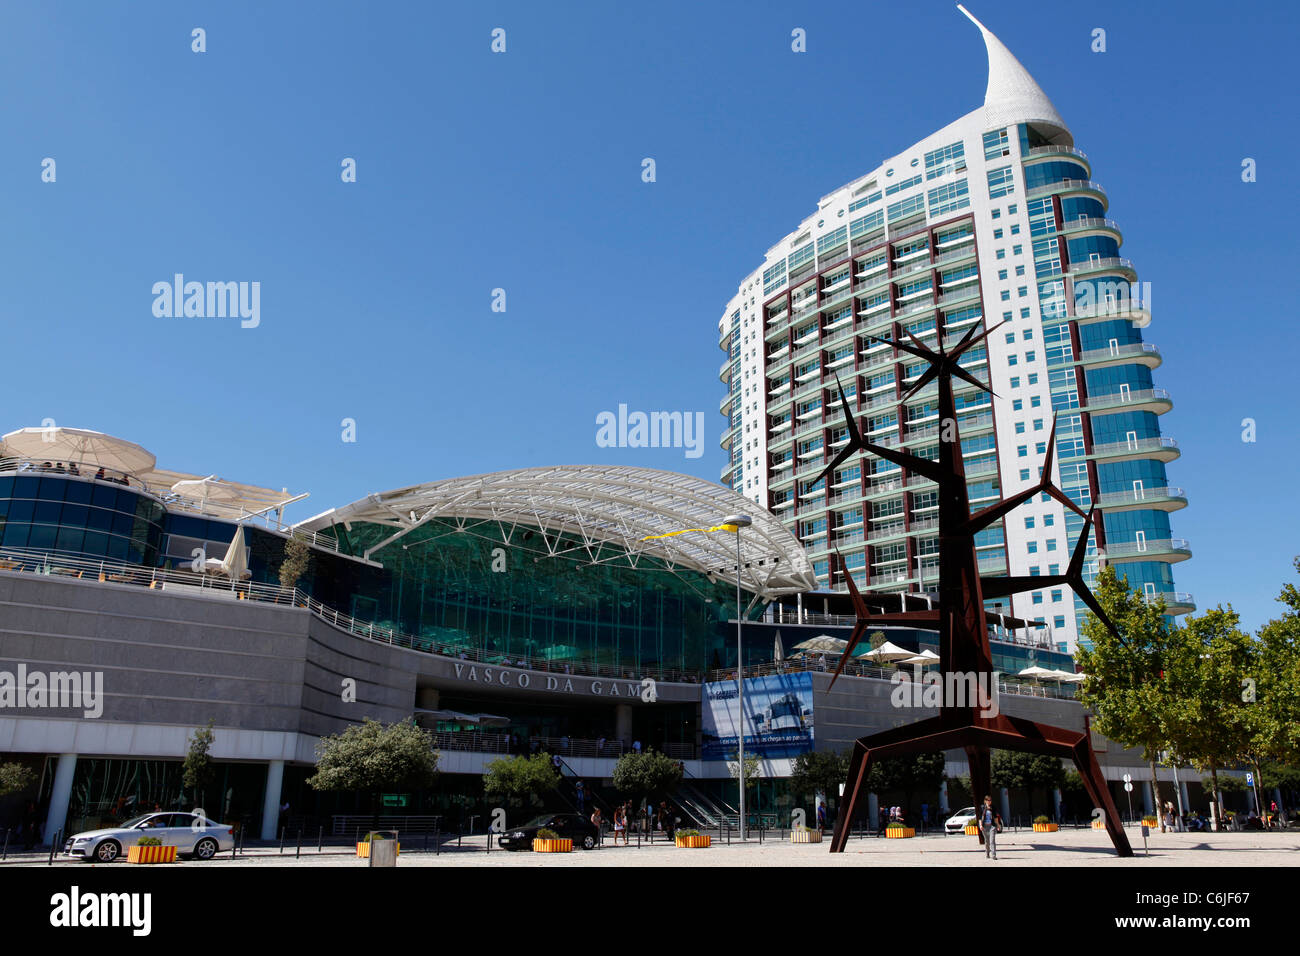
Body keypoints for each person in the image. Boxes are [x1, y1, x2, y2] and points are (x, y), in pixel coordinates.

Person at [979, 795, 1002, 860]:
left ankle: (994, 855)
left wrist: (998, 825)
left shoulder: (993, 807)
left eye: (990, 800)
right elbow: (980, 818)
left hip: (992, 826)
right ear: (985, 801)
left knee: (992, 841)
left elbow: (995, 817)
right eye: (988, 800)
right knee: (987, 841)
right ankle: (987, 853)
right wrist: (980, 825)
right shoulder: (982, 807)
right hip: (984, 826)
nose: (989, 801)